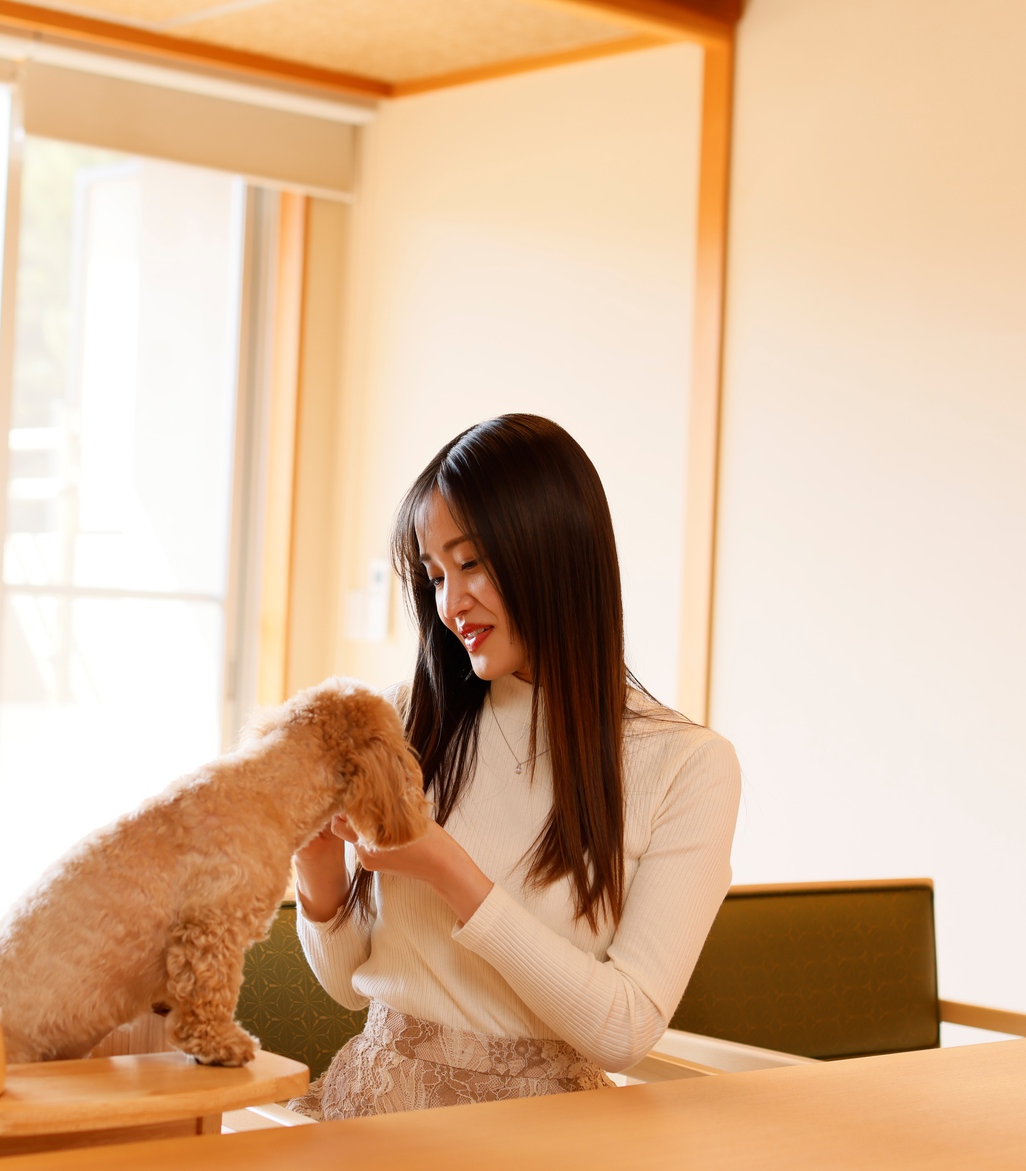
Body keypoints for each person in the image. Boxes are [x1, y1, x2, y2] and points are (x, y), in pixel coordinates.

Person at [289, 413, 741, 1120]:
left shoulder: (687, 766)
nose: (449, 604)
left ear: (553, 550)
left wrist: (449, 869)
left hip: (554, 1135)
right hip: (375, 1114)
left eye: (470, 563)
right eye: (434, 574)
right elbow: (349, 983)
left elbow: (624, 1028)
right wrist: (318, 869)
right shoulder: (405, 718)